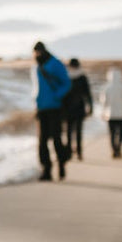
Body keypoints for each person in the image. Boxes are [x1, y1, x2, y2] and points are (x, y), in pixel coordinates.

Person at [31, 41, 71, 181]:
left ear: (43, 51)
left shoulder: (55, 63)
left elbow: (66, 83)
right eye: (35, 52)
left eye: (38, 52)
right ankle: (46, 169)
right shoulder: (38, 66)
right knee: (42, 141)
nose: (36, 54)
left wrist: (57, 96)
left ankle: (61, 163)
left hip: (55, 107)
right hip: (42, 108)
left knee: (56, 139)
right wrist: (37, 103)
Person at [62, 57, 93, 160]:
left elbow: (63, 94)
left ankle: (70, 152)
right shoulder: (82, 77)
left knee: (69, 132)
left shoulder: (66, 77)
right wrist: (90, 106)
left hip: (68, 108)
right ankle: (79, 152)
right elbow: (87, 93)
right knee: (78, 131)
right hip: (79, 107)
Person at [100, 67, 122, 158]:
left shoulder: (107, 87)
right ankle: (118, 147)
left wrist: (104, 111)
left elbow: (103, 101)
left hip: (110, 114)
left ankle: (115, 149)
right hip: (121, 115)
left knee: (112, 134)